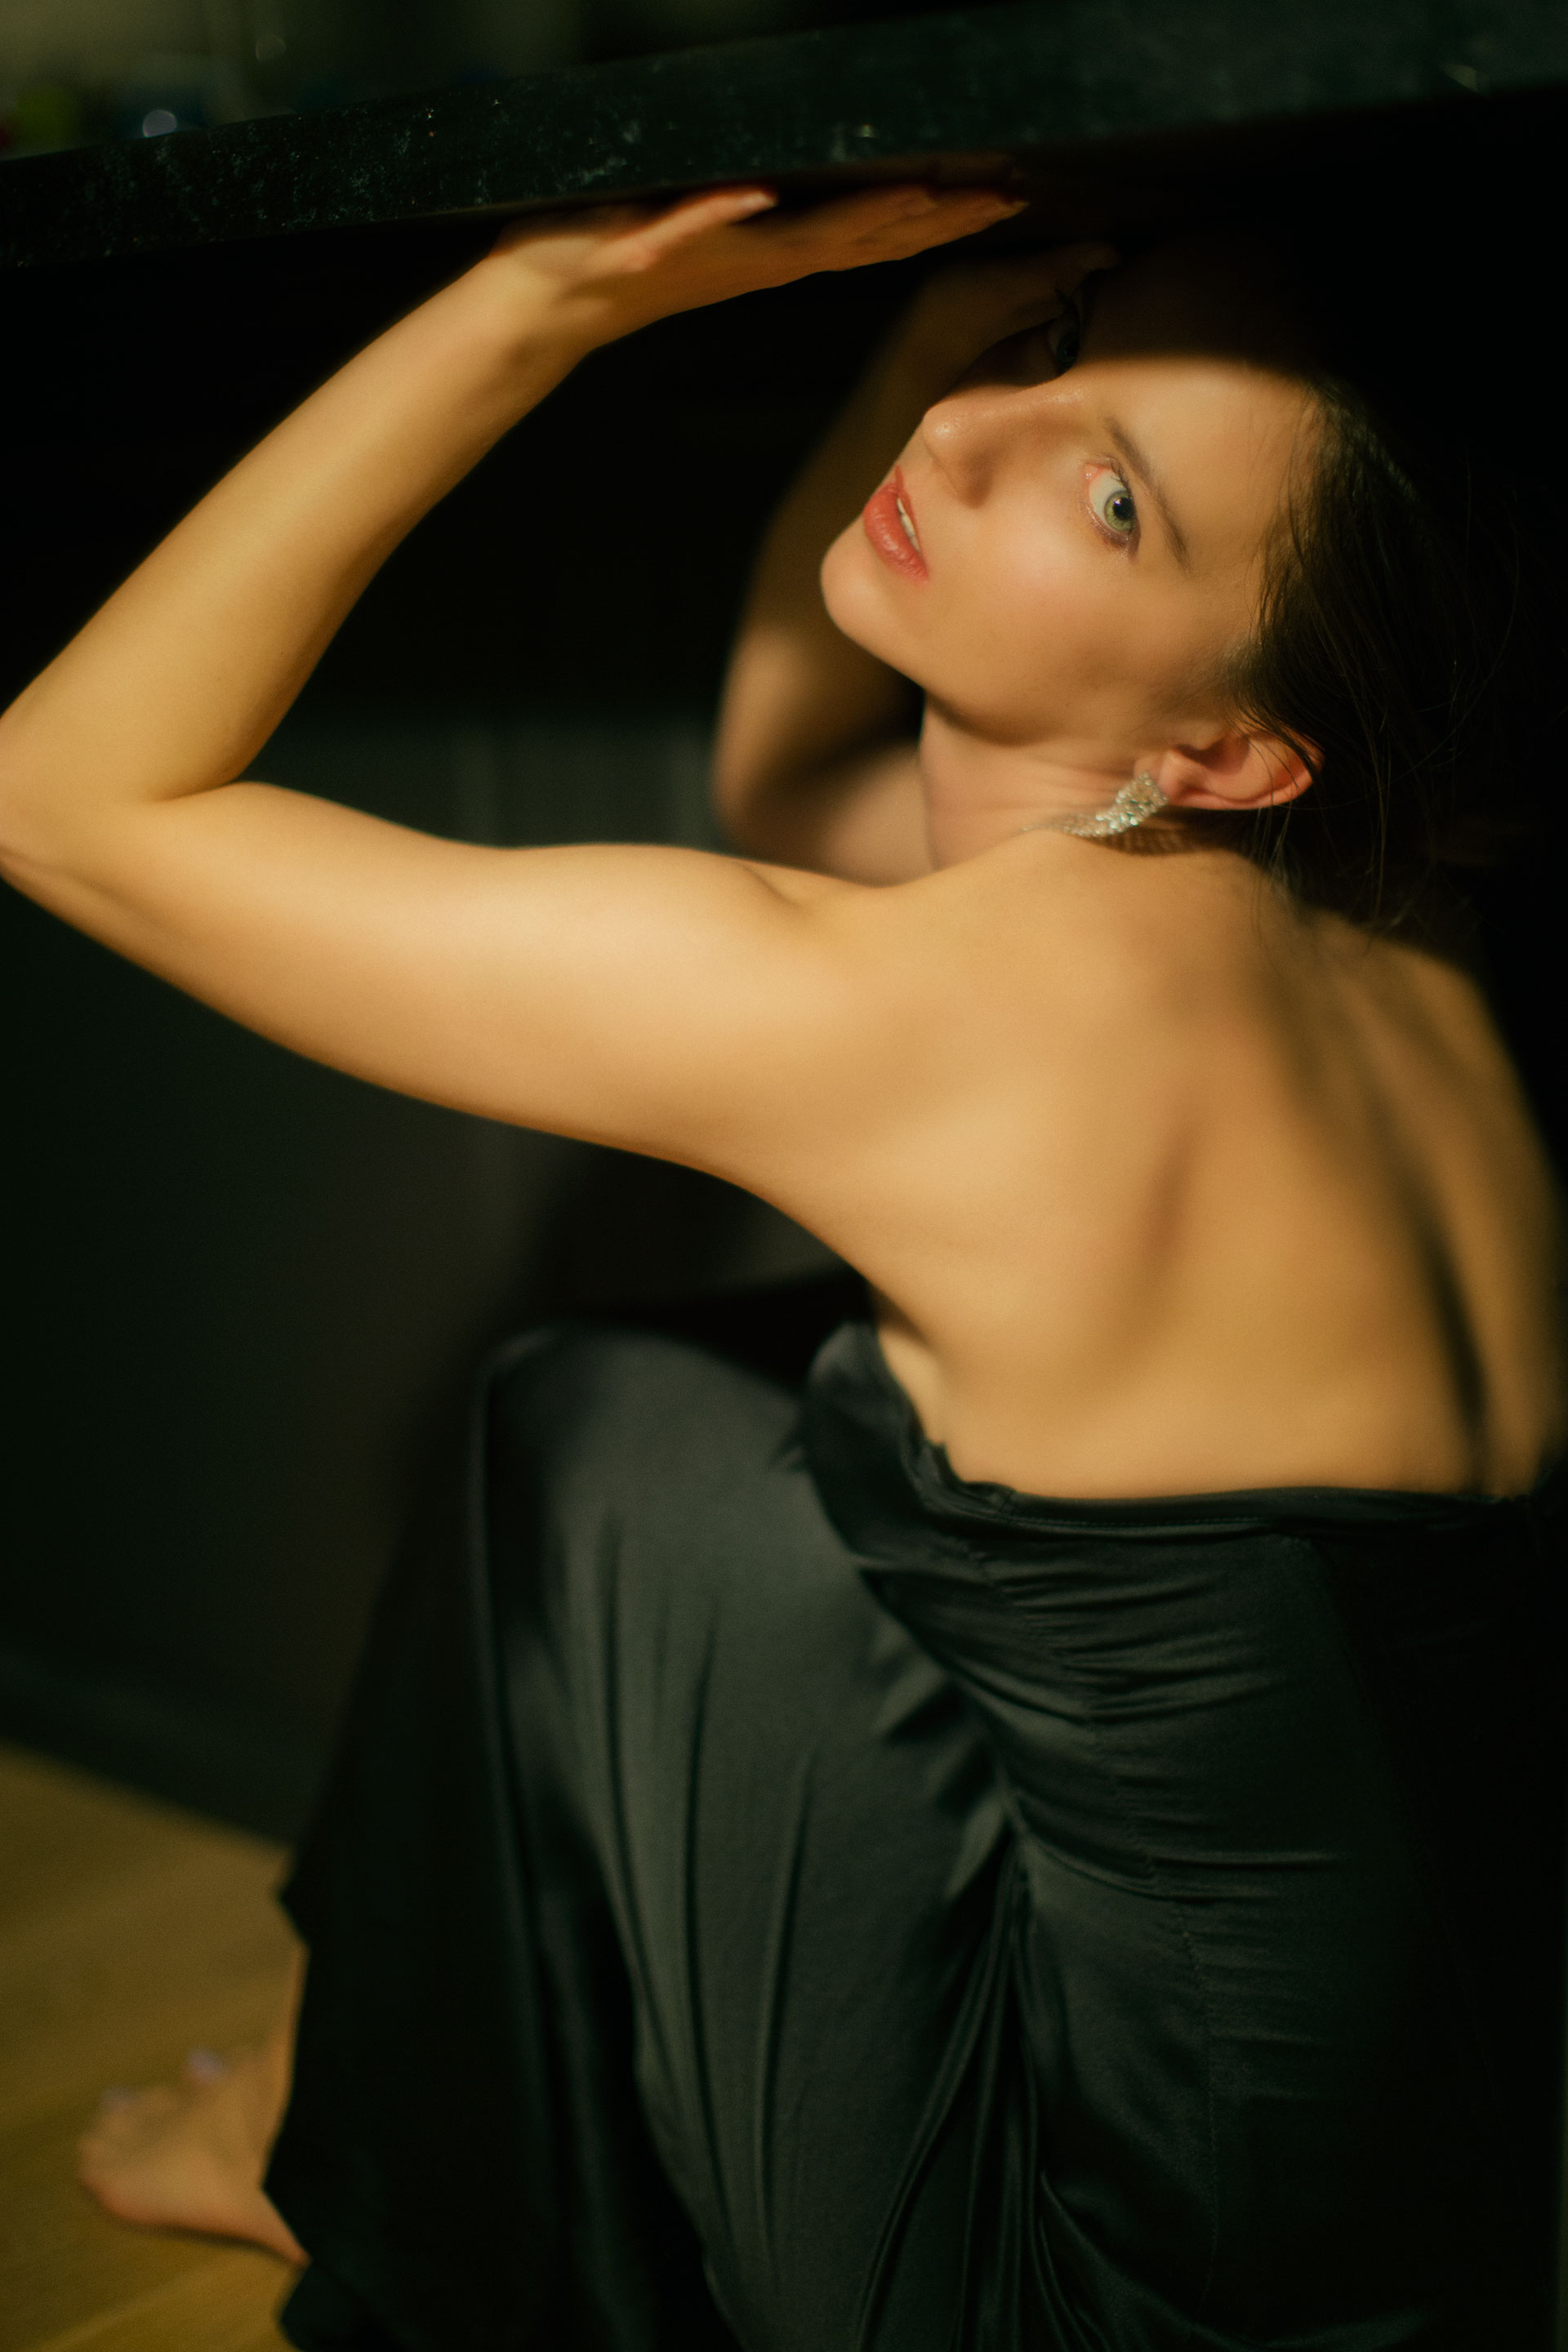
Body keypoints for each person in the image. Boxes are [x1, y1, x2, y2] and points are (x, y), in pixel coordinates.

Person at [2, 181, 1561, 2347]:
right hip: (1444, 2197)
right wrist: (924, 347)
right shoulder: (1378, 914)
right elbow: (789, 780)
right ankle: (341, 2095)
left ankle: (357, 2152)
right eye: (1055, 352)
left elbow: (61, 796)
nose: (964, 439)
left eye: (1112, 499)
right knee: (687, 1414)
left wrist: (541, 301)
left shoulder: (961, 1022)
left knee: (599, 1427)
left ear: (1219, 752)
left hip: (1121, 2300)